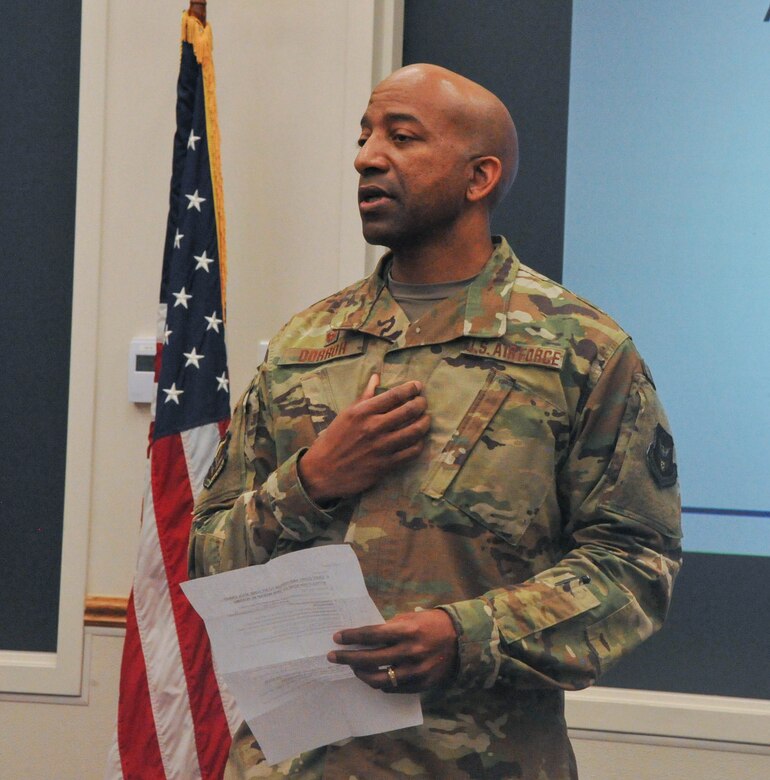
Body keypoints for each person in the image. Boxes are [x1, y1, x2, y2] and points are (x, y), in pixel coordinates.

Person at [189, 63, 682, 779]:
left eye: (401, 136)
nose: (365, 156)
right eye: (363, 136)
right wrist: (312, 480)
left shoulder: (580, 349)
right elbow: (209, 557)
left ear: (479, 177)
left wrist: (467, 635)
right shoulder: (305, 345)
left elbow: (635, 568)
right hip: (296, 764)